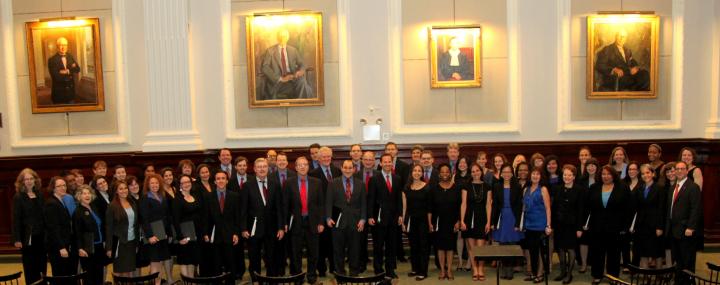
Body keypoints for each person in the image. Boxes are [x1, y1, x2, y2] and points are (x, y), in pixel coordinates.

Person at [584, 166, 632, 285]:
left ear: (614, 175)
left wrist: (625, 227)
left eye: (608, 174)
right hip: (596, 227)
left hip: (616, 227)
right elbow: (588, 207)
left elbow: (629, 209)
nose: (606, 176)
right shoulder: (594, 187)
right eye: (603, 174)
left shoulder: (623, 188)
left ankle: (613, 276)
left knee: (614, 253)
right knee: (597, 252)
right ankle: (597, 275)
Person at [241, 158, 286, 277]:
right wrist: (244, 228)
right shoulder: (247, 186)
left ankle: (272, 278)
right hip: (254, 229)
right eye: (259, 167)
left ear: (268, 168)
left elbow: (279, 208)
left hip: (272, 228)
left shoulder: (275, 184)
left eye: (264, 166)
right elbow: (243, 209)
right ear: (255, 169)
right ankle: (256, 279)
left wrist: (281, 227)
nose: (262, 169)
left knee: (272, 256)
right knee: (254, 256)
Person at [286, 156, 325, 285]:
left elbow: (321, 204)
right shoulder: (289, 182)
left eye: (305, 164)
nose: (302, 167)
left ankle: (312, 274)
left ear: (308, 167)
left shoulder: (317, 182)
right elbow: (285, 205)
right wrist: (285, 223)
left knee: (313, 251)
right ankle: (298, 275)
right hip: (296, 222)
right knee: (295, 251)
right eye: (299, 165)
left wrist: (321, 222)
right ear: (295, 167)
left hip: (312, 221)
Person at [325, 160, 366, 276]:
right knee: (338, 250)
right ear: (341, 168)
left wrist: (363, 219)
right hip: (337, 221)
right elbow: (328, 202)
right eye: (345, 168)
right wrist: (328, 218)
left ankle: (354, 272)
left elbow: (363, 203)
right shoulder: (333, 183)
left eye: (350, 168)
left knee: (355, 250)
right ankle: (340, 273)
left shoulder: (361, 184)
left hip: (356, 222)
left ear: (354, 169)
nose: (348, 170)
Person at [368, 154, 402, 279]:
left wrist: (400, 215)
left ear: (392, 163)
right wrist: (370, 215)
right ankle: (378, 270)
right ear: (380, 163)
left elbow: (399, 199)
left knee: (392, 246)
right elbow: (371, 198)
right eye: (385, 162)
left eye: (390, 162)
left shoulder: (397, 178)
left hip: (393, 218)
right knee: (378, 246)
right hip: (379, 218)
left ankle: (390, 270)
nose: (388, 164)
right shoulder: (374, 179)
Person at [667, 161, 702, 284]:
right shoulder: (672, 188)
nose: (679, 171)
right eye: (677, 169)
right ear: (675, 171)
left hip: (686, 230)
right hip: (673, 231)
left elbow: (696, 209)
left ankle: (687, 283)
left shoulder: (693, 187)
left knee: (687, 261)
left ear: (687, 171)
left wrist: (691, 227)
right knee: (677, 260)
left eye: (682, 169)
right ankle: (678, 281)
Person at [203, 170, 241, 280]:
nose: (220, 181)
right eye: (218, 178)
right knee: (216, 264)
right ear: (214, 181)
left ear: (227, 181)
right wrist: (205, 233)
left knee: (231, 263)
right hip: (214, 235)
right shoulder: (208, 197)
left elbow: (237, 217)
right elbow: (205, 217)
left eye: (223, 178)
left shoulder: (235, 196)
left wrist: (236, 233)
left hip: (230, 235)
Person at [309, 146, 340, 276]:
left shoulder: (337, 171)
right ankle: (321, 269)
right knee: (321, 243)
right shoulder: (312, 174)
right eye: (324, 157)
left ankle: (334, 267)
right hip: (320, 214)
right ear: (318, 158)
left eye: (328, 156)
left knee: (335, 242)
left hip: (336, 213)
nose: (326, 159)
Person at [12, 168, 46, 284]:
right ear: (22, 181)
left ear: (35, 180)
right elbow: (16, 219)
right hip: (28, 237)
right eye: (26, 179)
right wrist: (17, 239)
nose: (29, 181)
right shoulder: (18, 197)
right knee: (30, 265)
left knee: (42, 263)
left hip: (41, 235)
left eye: (31, 178)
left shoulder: (40, 194)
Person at [460, 163, 492, 281]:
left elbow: (488, 205)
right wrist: (462, 220)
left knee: (481, 247)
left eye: (477, 171)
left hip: (482, 218)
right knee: (472, 248)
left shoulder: (488, 186)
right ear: (471, 173)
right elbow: (463, 204)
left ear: (481, 172)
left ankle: (481, 268)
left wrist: (488, 222)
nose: (475, 173)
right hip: (468, 218)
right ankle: (475, 269)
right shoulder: (466, 186)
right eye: (473, 171)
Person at [552, 165, 584, 284]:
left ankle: (569, 274)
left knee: (570, 249)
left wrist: (579, 228)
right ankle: (562, 272)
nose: (567, 177)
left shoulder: (579, 190)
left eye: (569, 175)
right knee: (560, 248)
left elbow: (581, 210)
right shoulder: (557, 188)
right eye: (565, 175)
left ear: (574, 176)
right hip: (559, 224)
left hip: (572, 225)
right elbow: (554, 207)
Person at [260, 29, 314, 100]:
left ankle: (300, 105)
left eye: (284, 36)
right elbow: (265, 67)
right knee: (306, 88)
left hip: (292, 78)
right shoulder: (270, 51)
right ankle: (302, 105)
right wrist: (280, 79)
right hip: (278, 82)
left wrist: (300, 71)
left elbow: (302, 64)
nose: (282, 38)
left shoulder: (293, 50)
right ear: (277, 38)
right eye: (281, 36)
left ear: (287, 37)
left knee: (302, 82)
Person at [429, 164, 461, 280]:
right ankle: (442, 270)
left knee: (450, 247)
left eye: (447, 171)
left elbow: (459, 206)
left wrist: (458, 221)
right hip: (438, 222)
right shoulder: (434, 189)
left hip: (452, 222)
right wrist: (430, 223)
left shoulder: (456, 188)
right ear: (439, 174)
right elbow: (430, 208)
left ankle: (449, 270)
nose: (445, 174)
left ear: (450, 173)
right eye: (442, 172)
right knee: (440, 247)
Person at [491, 165, 524, 280]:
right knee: (502, 244)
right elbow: (494, 205)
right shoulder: (496, 186)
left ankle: (510, 271)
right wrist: (492, 222)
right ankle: (504, 270)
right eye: (504, 172)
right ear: (501, 173)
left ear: (512, 174)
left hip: (512, 217)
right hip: (501, 217)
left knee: (512, 244)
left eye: (508, 172)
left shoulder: (517, 186)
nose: (506, 174)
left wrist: (518, 223)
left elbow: (519, 206)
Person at [139, 174, 172, 285]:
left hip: (162, 234)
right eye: (152, 183)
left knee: (161, 262)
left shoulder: (162, 196)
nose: (155, 185)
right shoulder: (145, 198)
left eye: (157, 183)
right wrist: (150, 236)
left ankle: (158, 283)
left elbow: (167, 216)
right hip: (153, 236)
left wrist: (167, 232)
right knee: (155, 263)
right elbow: (144, 219)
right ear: (147, 185)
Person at [523, 167, 553, 283]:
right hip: (528, 224)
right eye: (533, 174)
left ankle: (540, 274)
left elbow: (548, 208)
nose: (535, 176)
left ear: (541, 177)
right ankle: (534, 272)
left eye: (538, 174)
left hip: (540, 224)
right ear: (530, 176)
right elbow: (524, 208)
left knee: (540, 250)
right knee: (532, 250)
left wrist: (548, 225)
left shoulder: (543, 189)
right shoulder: (526, 189)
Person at [402, 164, 431, 280]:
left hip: (423, 220)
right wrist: (403, 221)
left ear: (422, 173)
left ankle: (423, 271)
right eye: (415, 170)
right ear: (411, 172)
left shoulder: (427, 187)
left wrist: (429, 223)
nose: (417, 172)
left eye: (420, 171)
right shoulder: (406, 188)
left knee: (423, 246)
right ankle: (415, 269)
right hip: (411, 220)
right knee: (413, 246)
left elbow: (429, 208)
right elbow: (404, 207)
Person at [633, 164, 666, 269]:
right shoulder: (639, 188)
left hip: (655, 225)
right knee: (643, 251)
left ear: (653, 174)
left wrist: (660, 227)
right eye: (643, 173)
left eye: (647, 172)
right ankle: (645, 274)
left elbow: (661, 209)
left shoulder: (660, 188)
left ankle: (659, 275)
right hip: (641, 225)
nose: (645, 175)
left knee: (657, 252)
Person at [44, 176, 78, 277]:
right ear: (53, 188)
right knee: (60, 274)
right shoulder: (51, 203)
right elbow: (52, 228)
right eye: (59, 186)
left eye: (64, 185)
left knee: (65, 272)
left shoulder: (61, 201)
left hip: (64, 243)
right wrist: (61, 247)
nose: (63, 188)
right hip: (57, 246)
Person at [105, 181, 140, 277]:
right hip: (119, 243)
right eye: (120, 189)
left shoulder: (132, 202)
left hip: (131, 241)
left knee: (130, 269)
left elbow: (136, 224)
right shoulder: (112, 206)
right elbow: (109, 228)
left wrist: (137, 242)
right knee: (120, 270)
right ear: (116, 191)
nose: (124, 190)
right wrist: (109, 247)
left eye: (125, 188)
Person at [73, 185, 105, 284]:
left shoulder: (94, 207)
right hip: (87, 249)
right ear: (79, 196)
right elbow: (77, 232)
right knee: (90, 277)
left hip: (99, 246)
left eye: (89, 193)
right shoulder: (78, 212)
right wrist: (80, 248)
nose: (87, 195)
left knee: (99, 274)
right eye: (84, 193)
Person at [172, 175, 202, 278]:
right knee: (185, 260)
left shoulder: (195, 196)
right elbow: (175, 220)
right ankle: (186, 282)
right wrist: (180, 237)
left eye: (188, 182)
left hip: (195, 234)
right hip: (184, 235)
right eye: (183, 183)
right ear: (180, 185)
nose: (186, 184)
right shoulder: (177, 199)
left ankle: (191, 281)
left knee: (192, 260)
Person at [48, 37, 81, 104]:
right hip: (59, 93)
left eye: (65, 45)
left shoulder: (70, 56)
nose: (63, 47)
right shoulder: (52, 60)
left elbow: (77, 69)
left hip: (70, 92)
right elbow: (56, 76)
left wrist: (66, 71)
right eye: (61, 45)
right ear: (57, 47)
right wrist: (71, 70)